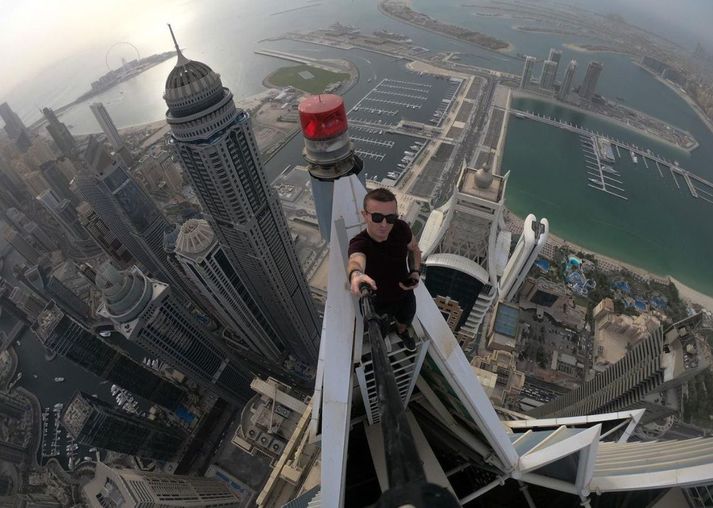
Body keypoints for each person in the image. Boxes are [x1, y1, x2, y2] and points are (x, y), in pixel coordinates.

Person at [347, 188, 422, 351]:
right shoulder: (360, 243)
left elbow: (414, 249)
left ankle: (402, 333)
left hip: (404, 292)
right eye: (377, 217)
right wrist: (356, 275)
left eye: (390, 218)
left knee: (405, 321)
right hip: (376, 301)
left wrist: (415, 272)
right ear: (365, 215)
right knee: (380, 331)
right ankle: (384, 336)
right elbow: (355, 260)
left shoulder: (401, 228)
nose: (384, 224)